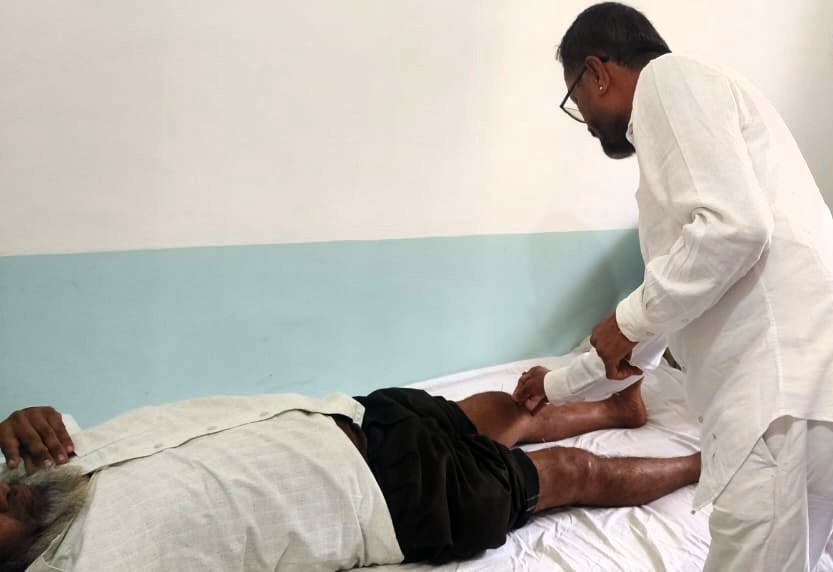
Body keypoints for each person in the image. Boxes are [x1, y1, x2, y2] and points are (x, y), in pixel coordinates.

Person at [516, 3, 833, 569]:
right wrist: (558, 384)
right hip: (808, 394)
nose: (584, 119)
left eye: (575, 97)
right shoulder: (708, 116)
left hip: (774, 397)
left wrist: (626, 321)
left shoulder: (668, 79)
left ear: (597, 72)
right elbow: (651, 336)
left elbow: (735, 229)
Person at [0, 380, 699, 571]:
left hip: (350, 415)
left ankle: (615, 409)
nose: (2, 494)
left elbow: (40, 426)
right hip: (394, 505)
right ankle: (704, 464)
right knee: (573, 471)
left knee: (494, 409)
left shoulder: (41, 467)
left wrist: (25, 418)